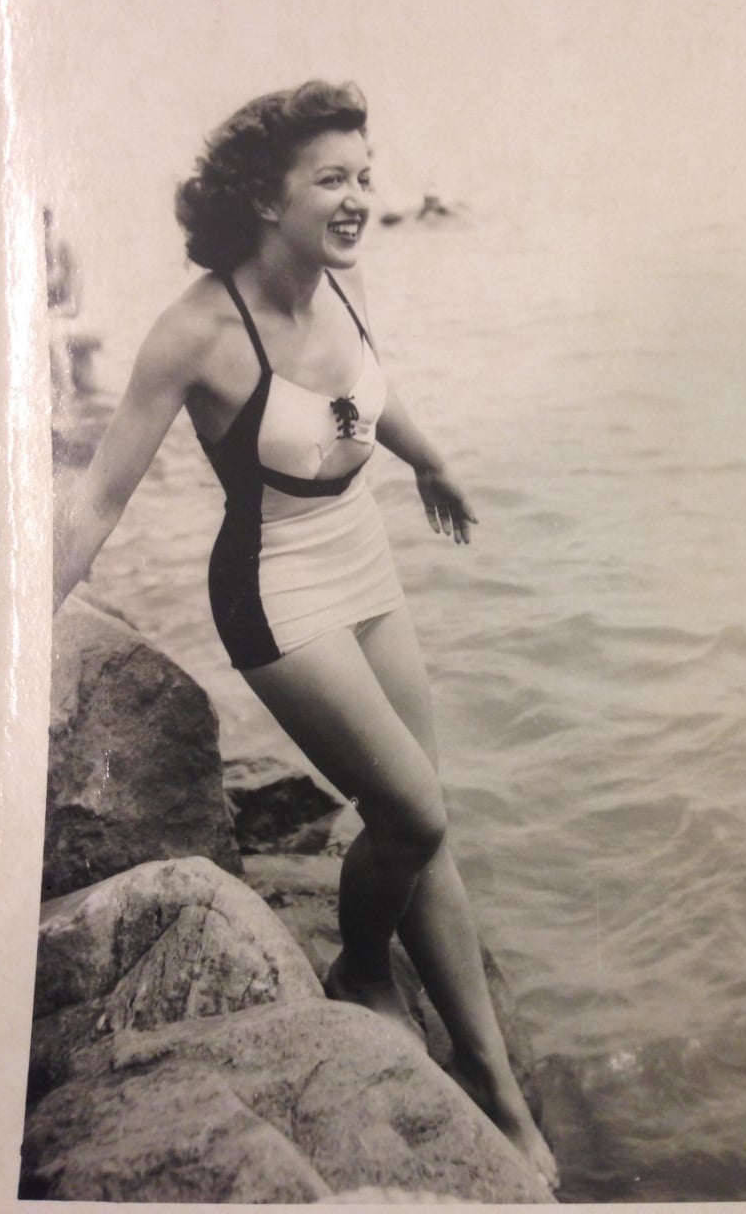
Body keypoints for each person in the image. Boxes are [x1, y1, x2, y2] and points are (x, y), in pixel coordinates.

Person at [52, 80, 557, 1189]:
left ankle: (495, 1083)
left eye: (366, 175)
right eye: (332, 178)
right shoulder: (194, 330)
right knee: (412, 810)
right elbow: (97, 499)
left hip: (363, 563)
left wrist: (430, 458)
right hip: (275, 593)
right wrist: (21, 621)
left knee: (429, 825)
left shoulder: (339, 283)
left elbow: (368, 395)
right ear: (262, 197)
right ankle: (363, 965)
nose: (359, 198)